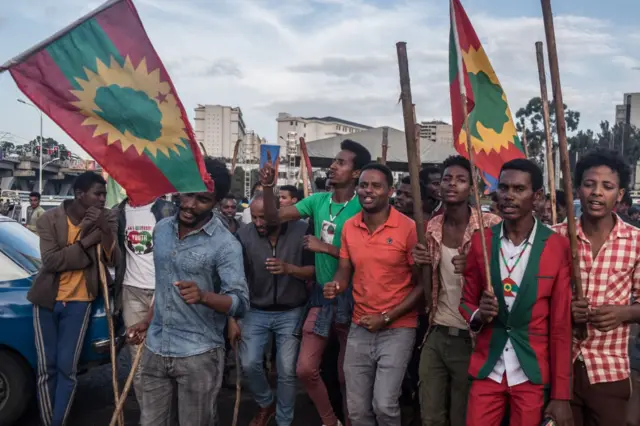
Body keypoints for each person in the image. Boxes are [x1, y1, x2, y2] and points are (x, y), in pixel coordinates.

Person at [127, 157, 250, 426]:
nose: (189, 204)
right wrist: (147, 321)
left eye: (202, 199)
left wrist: (204, 296)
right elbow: (163, 285)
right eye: (188, 194)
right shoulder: (160, 230)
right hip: (155, 348)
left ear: (216, 203)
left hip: (199, 355)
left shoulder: (226, 245)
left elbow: (240, 303)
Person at [259, 139, 372, 426]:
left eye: (341, 162)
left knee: (349, 375)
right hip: (322, 298)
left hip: (355, 299)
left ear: (357, 173)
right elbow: (273, 217)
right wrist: (270, 187)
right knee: (305, 368)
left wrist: (327, 248)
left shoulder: (365, 206)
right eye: (334, 161)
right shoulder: (318, 201)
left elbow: (371, 257)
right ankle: (329, 420)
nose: (333, 166)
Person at [459, 159, 573, 426]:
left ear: (537, 197)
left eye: (518, 189)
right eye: (504, 187)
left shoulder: (557, 247)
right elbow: (466, 301)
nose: (508, 195)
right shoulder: (482, 241)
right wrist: (478, 315)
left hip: (531, 371)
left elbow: (560, 327)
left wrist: (561, 395)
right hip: (488, 367)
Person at [323, 163, 422, 426]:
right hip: (360, 325)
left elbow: (423, 285)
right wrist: (336, 285)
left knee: (385, 406)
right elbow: (345, 269)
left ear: (389, 191)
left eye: (376, 185)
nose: (368, 191)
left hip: (398, 327)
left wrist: (387, 317)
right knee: (356, 410)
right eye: (364, 185)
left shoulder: (408, 228)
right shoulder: (350, 227)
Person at [412, 155, 501, 426]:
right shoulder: (431, 227)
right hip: (437, 332)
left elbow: (511, 277)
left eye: (461, 180)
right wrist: (419, 264)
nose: (452, 184)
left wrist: (475, 265)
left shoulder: (491, 225)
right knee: (430, 415)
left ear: (473, 187)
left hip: (473, 337)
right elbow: (425, 284)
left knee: (463, 416)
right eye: (447, 179)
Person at [555, 149, 640, 426]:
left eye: (607, 186)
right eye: (589, 184)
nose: (596, 193)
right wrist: (564, 308)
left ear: (621, 194)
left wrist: (624, 313)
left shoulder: (636, 241)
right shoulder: (555, 237)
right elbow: (535, 297)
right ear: (577, 188)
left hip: (609, 370)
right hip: (558, 369)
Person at [29, 172, 119, 426]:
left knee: (67, 369)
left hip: (80, 301)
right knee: (47, 368)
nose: (103, 199)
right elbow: (52, 262)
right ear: (80, 195)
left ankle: (59, 421)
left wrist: (103, 229)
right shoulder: (49, 219)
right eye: (97, 194)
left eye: (104, 194)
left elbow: (114, 260)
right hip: (47, 299)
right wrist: (88, 238)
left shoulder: (107, 217)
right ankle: (49, 421)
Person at [230, 193, 314, 426]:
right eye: (254, 218)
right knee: (249, 363)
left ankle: (284, 420)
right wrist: (233, 317)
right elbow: (235, 278)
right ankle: (266, 403)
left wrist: (289, 269)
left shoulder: (302, 230)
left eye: (264, 218)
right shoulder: (243, 235)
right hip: (255, 310)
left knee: (287, 370)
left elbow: (314, 271)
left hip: (292, 310)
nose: (258, 223)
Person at [114, 195, 176, 416]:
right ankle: (149, 416)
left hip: (162, 290)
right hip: (131, 290)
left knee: (165, 357)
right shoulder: (117, 212)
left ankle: (164, 413)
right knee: (137, 360)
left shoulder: (167, 209)